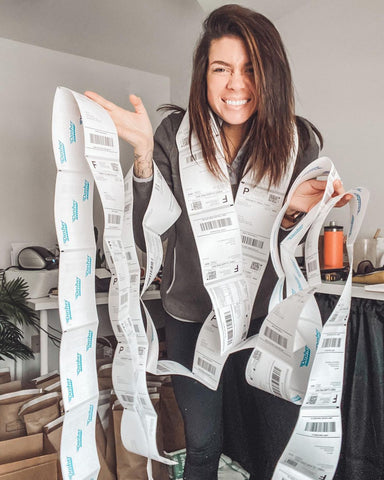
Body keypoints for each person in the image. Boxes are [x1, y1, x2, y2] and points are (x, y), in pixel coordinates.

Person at [86, 4, 351, 479]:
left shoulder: (298, 142)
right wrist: (144, 158)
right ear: (203, 74)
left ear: (271, 75)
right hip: (192, 315)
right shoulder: (172, 134)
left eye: (251, 70)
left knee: (277, 443)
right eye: (222, 68)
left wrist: (294, 214)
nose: (236, 85)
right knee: (204, 443)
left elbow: (296, 251)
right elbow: (146, 239)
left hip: (267, 317)